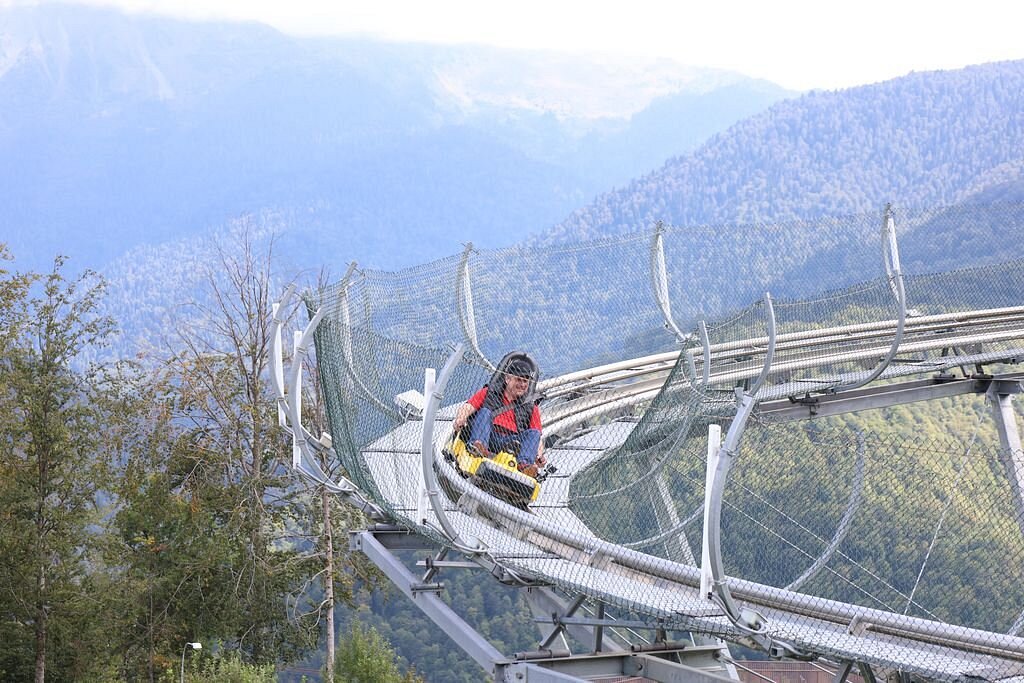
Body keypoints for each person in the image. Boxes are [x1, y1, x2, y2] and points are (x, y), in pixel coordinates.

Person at [452, 354, 546, 477]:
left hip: (511, 443)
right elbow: (468, 406)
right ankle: (478, 447)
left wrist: (539, 455)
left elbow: (536, 437)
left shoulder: (531, 407)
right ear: (507, 379)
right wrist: (460, 419)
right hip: (489, 435)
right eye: (519, 379)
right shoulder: (489, 392)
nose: (522, 384)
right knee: (485, 412)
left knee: (533, 433)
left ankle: (525, 466)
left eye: (525, 381)